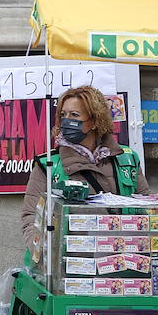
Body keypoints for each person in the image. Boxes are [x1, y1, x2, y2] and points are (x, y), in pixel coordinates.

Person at [21, 85, 149, 252]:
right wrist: (45, 255)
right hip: (72, 266)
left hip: (124, 263)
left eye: (74, 115)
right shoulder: (49, 165)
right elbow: (31, 219)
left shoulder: (128, 159)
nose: (66, 120)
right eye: (63, 115)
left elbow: (148, 211)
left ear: (95, 121)